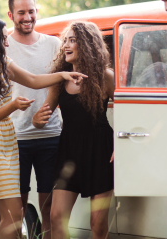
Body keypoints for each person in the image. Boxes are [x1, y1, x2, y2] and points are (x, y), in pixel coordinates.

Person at [0, 16, 86, 239]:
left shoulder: (2, 64)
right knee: (15, 215)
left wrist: (62, 74)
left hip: (8, 142)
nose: (7, 42)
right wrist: (13, 106)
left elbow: (34, 80)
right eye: (2, 38)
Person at [32, 21, 115, 239]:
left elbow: (131, 111)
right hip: (69, 151)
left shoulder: (106, 77)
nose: (65, 46)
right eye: (64, 41)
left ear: (87, 44)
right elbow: (43, 116)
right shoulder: (59, 80)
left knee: (97, 223)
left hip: (100, 150)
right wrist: (36, 120)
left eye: (72, 40)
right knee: (57, 216)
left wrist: (122, 143)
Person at [5, 0, 62, 238]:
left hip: (51, 136)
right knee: (15, 208)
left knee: (49, 206)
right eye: (21, 13)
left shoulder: (53, 44)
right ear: (11, 15)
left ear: (36, 11)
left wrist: (44, 113)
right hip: (15, 137)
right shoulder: (2, 46)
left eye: (31, 11)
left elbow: (58, 82)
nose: (27, 17)